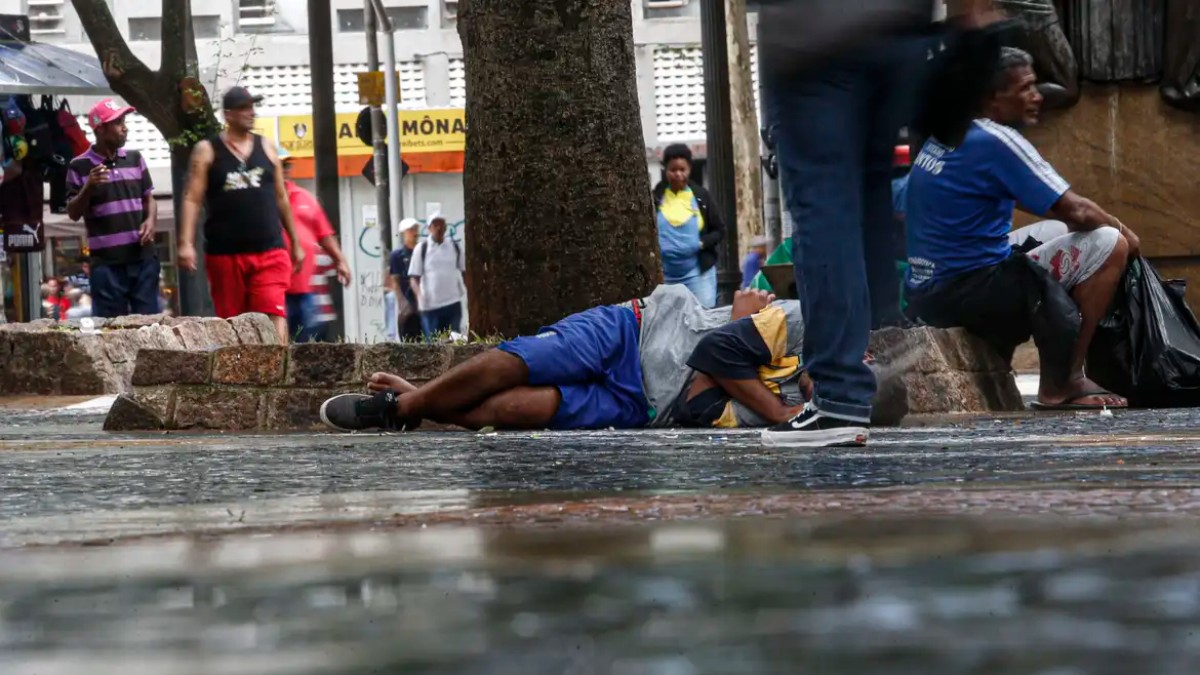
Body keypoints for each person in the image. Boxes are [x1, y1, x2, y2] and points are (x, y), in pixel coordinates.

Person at [904, 47, 1137, 411]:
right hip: (967, 292)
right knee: (1111, 244)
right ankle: (1064, 380)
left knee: (1057, 229)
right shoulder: (994, 139)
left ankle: (1058, 371)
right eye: (1026, 87)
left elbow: (1057, 211)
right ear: (992, 96)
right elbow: (1077, 209)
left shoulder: (951, 130)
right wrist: (1129, 234)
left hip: (930, 290)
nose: (1037, 96)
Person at [318, 286, 838, 442]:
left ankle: (415, 402)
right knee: (516, 363)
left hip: (642, 406)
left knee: (521, 410)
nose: (813, 394)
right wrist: (772, 409)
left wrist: (733, 354)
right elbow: (713, 358)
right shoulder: (804, 323)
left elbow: (701, 408)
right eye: (831, 382)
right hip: (635, 328)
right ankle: (400, 407)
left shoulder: (802, 414)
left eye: (820, 400)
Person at [177, 87, 303, 343]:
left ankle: (282, 373)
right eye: (244, 108)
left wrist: (296, 242)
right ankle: (242, 379)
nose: (250, 113)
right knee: (233, 322)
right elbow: (192, 197)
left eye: (252, 107)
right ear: (228, 114)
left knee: (273, 312)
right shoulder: (208, 150)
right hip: (226, 254)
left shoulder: (266, 147)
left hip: (269, 250)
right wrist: (185, 243)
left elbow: (281, 198)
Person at [65, 99, 160, 318]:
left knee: (149, 327)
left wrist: (150, 221)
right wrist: (88, 186)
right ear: (100, 128)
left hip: (143, 260)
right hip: (107, 266)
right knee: (111, 330)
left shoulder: (135, 159)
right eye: (117, 122)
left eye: (123, 121)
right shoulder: (79, 166)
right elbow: (73, 212)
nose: (124, 127)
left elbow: (149, 199)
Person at [279, 148, 350, 342]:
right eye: (280, 165)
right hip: (276, 290)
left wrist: (340, 260)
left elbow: (325, 234)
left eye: (287, 165)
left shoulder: (304, 197)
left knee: (309, 344)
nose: (285, 169)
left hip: (305, 289)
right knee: (279, 345)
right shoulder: (264, 200)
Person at [652, 144, 726, 308]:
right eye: (673, 170)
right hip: (666, 277)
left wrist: (700, 243)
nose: (678, 174)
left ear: (689, 169)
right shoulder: (656, 197)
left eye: (682, 169)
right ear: (665, 170)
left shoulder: (701, 196)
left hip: (697, 274)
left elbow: (719, 230)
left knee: (702, 317)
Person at [408, 214, 465, 340]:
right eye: (435, 225)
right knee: (433, 345)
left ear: (445, 227)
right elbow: (414, 278)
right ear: (429, 228)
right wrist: (419, 296)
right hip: (430, 307)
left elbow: (464, 271)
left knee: (454, 342)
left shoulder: (454, 246)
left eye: (441, 224)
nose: (438, 228)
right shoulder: (421, 249)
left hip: (452, 303)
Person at [388, 218, 423, 341]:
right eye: (410, 230)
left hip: (424, 305)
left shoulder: (423, 251)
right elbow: (395, 281)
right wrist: (403, 302)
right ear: (404, 233)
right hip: (408, 304)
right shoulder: (397, 255)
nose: (414, 233)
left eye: (415, 229)